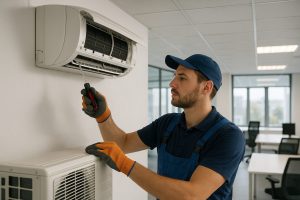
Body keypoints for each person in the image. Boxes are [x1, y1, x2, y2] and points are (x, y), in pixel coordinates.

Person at [82, 54, 245, 200]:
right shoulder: (168, 124)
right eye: (174, 76)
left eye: (182, 78)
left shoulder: (228, 136)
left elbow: (192, 195)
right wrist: (103, 116)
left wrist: (124, 164)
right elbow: (122, 143)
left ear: (206, 87)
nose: (172, 83)